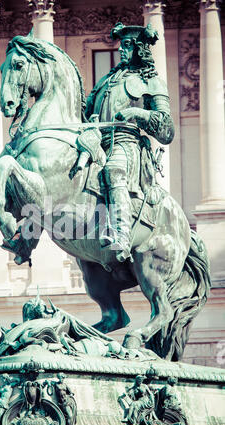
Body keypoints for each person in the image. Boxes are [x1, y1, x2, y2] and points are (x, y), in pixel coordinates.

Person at [85, 22, 175, 262]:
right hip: (96, 142)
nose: (121, 51)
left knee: (113, 170)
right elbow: (85, 110)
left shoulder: (151, 82)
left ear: (139, 49)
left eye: (126, 46)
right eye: (121, 46)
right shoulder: (106, 81)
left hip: (127, 144)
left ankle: (122, 236)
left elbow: (167, 129)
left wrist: (138, 114)